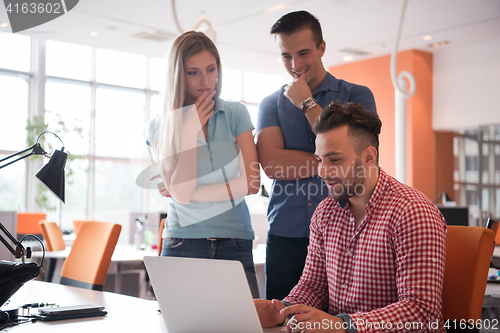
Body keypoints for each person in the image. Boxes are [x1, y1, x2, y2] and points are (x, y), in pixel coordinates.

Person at [255, 101, 446, 333]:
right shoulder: (325, 212)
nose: (322, 172)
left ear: (368, 157)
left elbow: (422, 312)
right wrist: (283, 311)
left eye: (334, 159)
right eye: (319, 160)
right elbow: (314, 286)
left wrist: (343, 325)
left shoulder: (412, 212)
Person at [256, 10, 377, 300]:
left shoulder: (357, 96)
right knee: (282, 319)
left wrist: (307, 103)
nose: (295, 65)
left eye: (303, 53)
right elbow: (273, 166)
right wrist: (336, 160)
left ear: (322, 48)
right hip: (286, 233)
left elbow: (361, 160)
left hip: (345, 230)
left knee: (335, 319)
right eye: (286, 56)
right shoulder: (270, 104)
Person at [147, 31, 261, 298]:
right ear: (178, 76)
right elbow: (182, 195)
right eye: (193, 72)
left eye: (211, 69)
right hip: (182, 244)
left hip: (235, 242)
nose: (205, 80)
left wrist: (189, 191)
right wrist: (188, 131)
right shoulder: (160, 126)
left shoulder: (236, 113)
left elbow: (252, 183)